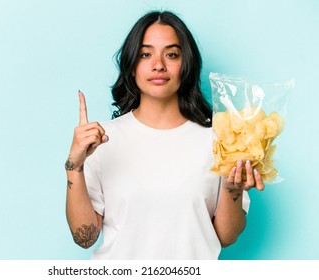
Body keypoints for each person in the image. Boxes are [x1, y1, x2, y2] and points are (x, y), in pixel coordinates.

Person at [65, 10, 264, 260]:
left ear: (186, 65)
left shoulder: (219, 139)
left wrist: (232, 189)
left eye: (171, 54)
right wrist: (74, 166)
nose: (158, 64)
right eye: (145, 54)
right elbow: (85, 237)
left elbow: (225, 237)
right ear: (132, 65)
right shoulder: (102, 140)